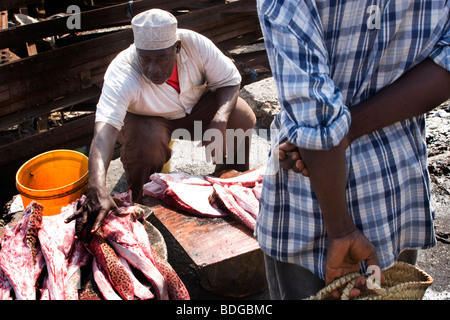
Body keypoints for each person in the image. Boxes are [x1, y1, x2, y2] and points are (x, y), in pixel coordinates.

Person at [256, 0, 450, 299]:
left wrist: (342, 230)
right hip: (397, 188)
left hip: (312, 201)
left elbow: (315, 114)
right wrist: (351, 128)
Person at [65, 9, 256, 236]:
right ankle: (142, 202)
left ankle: (229, 180)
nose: (152, 68)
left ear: (176, 48)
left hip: (193, 111)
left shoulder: (195, 44)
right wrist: (96, 187)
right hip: (148, 121)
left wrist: (219, 121)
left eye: (161, 58)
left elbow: (230, 81)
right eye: (145, 58)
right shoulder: (122, 71)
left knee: (241, 114)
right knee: (147, 143)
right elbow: (104, 131)